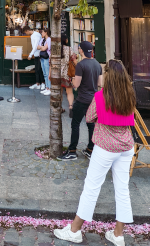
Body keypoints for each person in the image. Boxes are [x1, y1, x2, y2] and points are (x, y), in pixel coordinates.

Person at [54, 60, 136, 246]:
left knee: (91, 187)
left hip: (106, 146)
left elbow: (90, 117)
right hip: (126, 147)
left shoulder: (101, 96)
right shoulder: (129, 95)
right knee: (122, 189)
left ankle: (75, 231)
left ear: (109, 76)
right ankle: (118, 234)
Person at [58, 41, 103, 161]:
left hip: (82, 99)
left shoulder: (81, 65)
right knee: (91, 125)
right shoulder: (97, 64)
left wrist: (72, 79)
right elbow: (100, 83)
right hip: (94, 99)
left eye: (79, 48)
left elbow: (76, 85)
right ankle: (90, 149)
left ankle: (72, 151)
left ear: (81, 50)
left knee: (75, 124)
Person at [60, 34, 77, 117]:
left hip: (57, 74)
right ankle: (70, 107)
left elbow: (50, 63)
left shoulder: (55, 50)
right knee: (69, 92)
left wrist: (49, 74)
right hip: (67, 74)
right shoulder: (69, 49)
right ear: (65, 40)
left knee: (58, 92)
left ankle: (59, 108)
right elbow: (74, 61)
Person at [38, 28, 51, 96]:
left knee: (47, 73)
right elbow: (38, 47)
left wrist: (41, 47)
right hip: (42, 57)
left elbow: (44, 48)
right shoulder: (42, 39)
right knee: (44, 73)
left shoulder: (49, 39)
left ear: (46, 32)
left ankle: (49, 88)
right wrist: (41, 47)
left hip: (47, 57)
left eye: (42, 32)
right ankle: (47, 87)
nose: (41, 33)